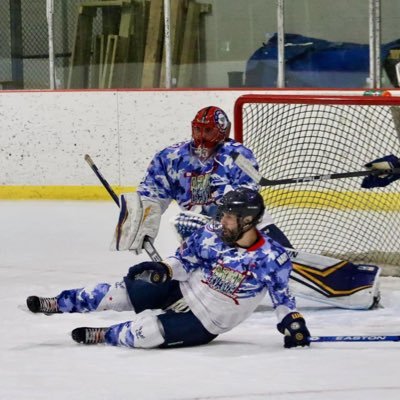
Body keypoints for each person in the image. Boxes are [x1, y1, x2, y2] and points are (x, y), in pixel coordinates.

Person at [26, 187, 311, 350]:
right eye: (222, 215)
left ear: (248, 221)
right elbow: (184, 262)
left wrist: (292, 323)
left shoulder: (272, 258)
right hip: (182, 287)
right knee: (118, 293)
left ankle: (105, 334)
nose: (222, 221)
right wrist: (163, 269)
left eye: (229, 217)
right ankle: (58, 303)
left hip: (206, 321)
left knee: (146, 332)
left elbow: (283, 300)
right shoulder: (212, 233)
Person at [109, 105, 292, 256]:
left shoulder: (238, 155)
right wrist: (140, 220)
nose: (202, 136)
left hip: (241, 224)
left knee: (282, 253)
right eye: (198, 129)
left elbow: (249, 195)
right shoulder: (171, 157)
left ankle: (285, 256)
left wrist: (227, 198)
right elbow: (152, 193)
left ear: (222, 131)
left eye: (208, 130)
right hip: (199, 230)